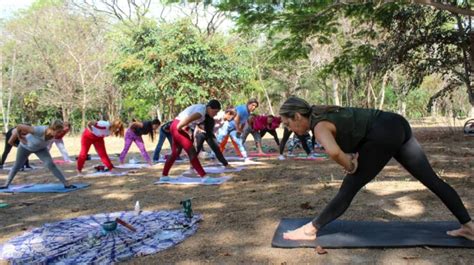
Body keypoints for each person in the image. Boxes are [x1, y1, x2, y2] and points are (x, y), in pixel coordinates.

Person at [278, 96, 474, 241]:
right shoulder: (324, 112)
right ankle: (469, 226)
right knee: (431, 179)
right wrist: (353, 159)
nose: (289, 129)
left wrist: (350, 166)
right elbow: (357, 132)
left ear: (297, 116)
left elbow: (334, 152)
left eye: (288, 123)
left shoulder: (319, 125)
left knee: (350, 186)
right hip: (396, 124)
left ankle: (310, 230)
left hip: (384, 132)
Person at [0, 120, 74, 189]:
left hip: (41, 149)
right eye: (58, 132)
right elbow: (19, 126)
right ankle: (6, 184)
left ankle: (66, 184)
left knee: (51, 164)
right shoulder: (38, 130)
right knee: (17, 165)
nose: (60, 134)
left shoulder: (54, 135)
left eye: (61, 132)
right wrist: (20, 138)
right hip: (25, 147)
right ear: (52, 129)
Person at [162, 100, 222, 179]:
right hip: (178, 126)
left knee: (175, 153)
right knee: (192, 152)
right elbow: (186, 120)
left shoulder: (203, 111)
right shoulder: (201, 113)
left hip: (176, 125)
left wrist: (188, 133)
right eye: (215, 112)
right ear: (210, 108)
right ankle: (204, 177)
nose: (215, 114)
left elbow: (191, 125)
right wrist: (180, 128)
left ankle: (164, 175)